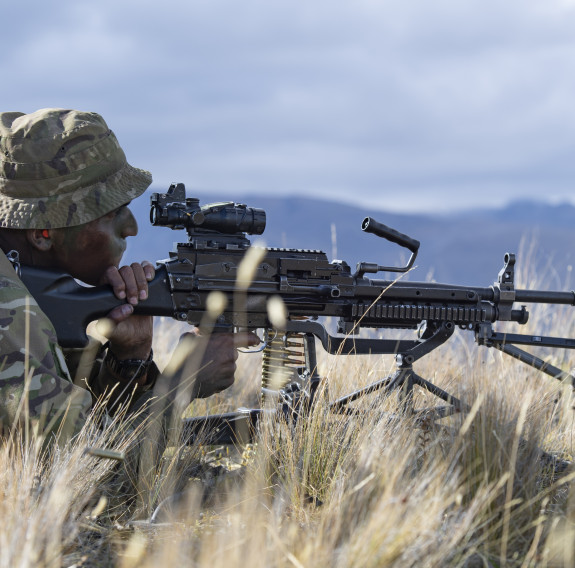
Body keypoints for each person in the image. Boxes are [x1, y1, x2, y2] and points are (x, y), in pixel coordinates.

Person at [0, 109, 258, 507]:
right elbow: (82, 483)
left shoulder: (24, 284)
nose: (132, 227)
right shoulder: (9, 308)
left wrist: (130, 358)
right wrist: (183, 384)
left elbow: (92, 434)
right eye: (110, 212)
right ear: (43, 234)